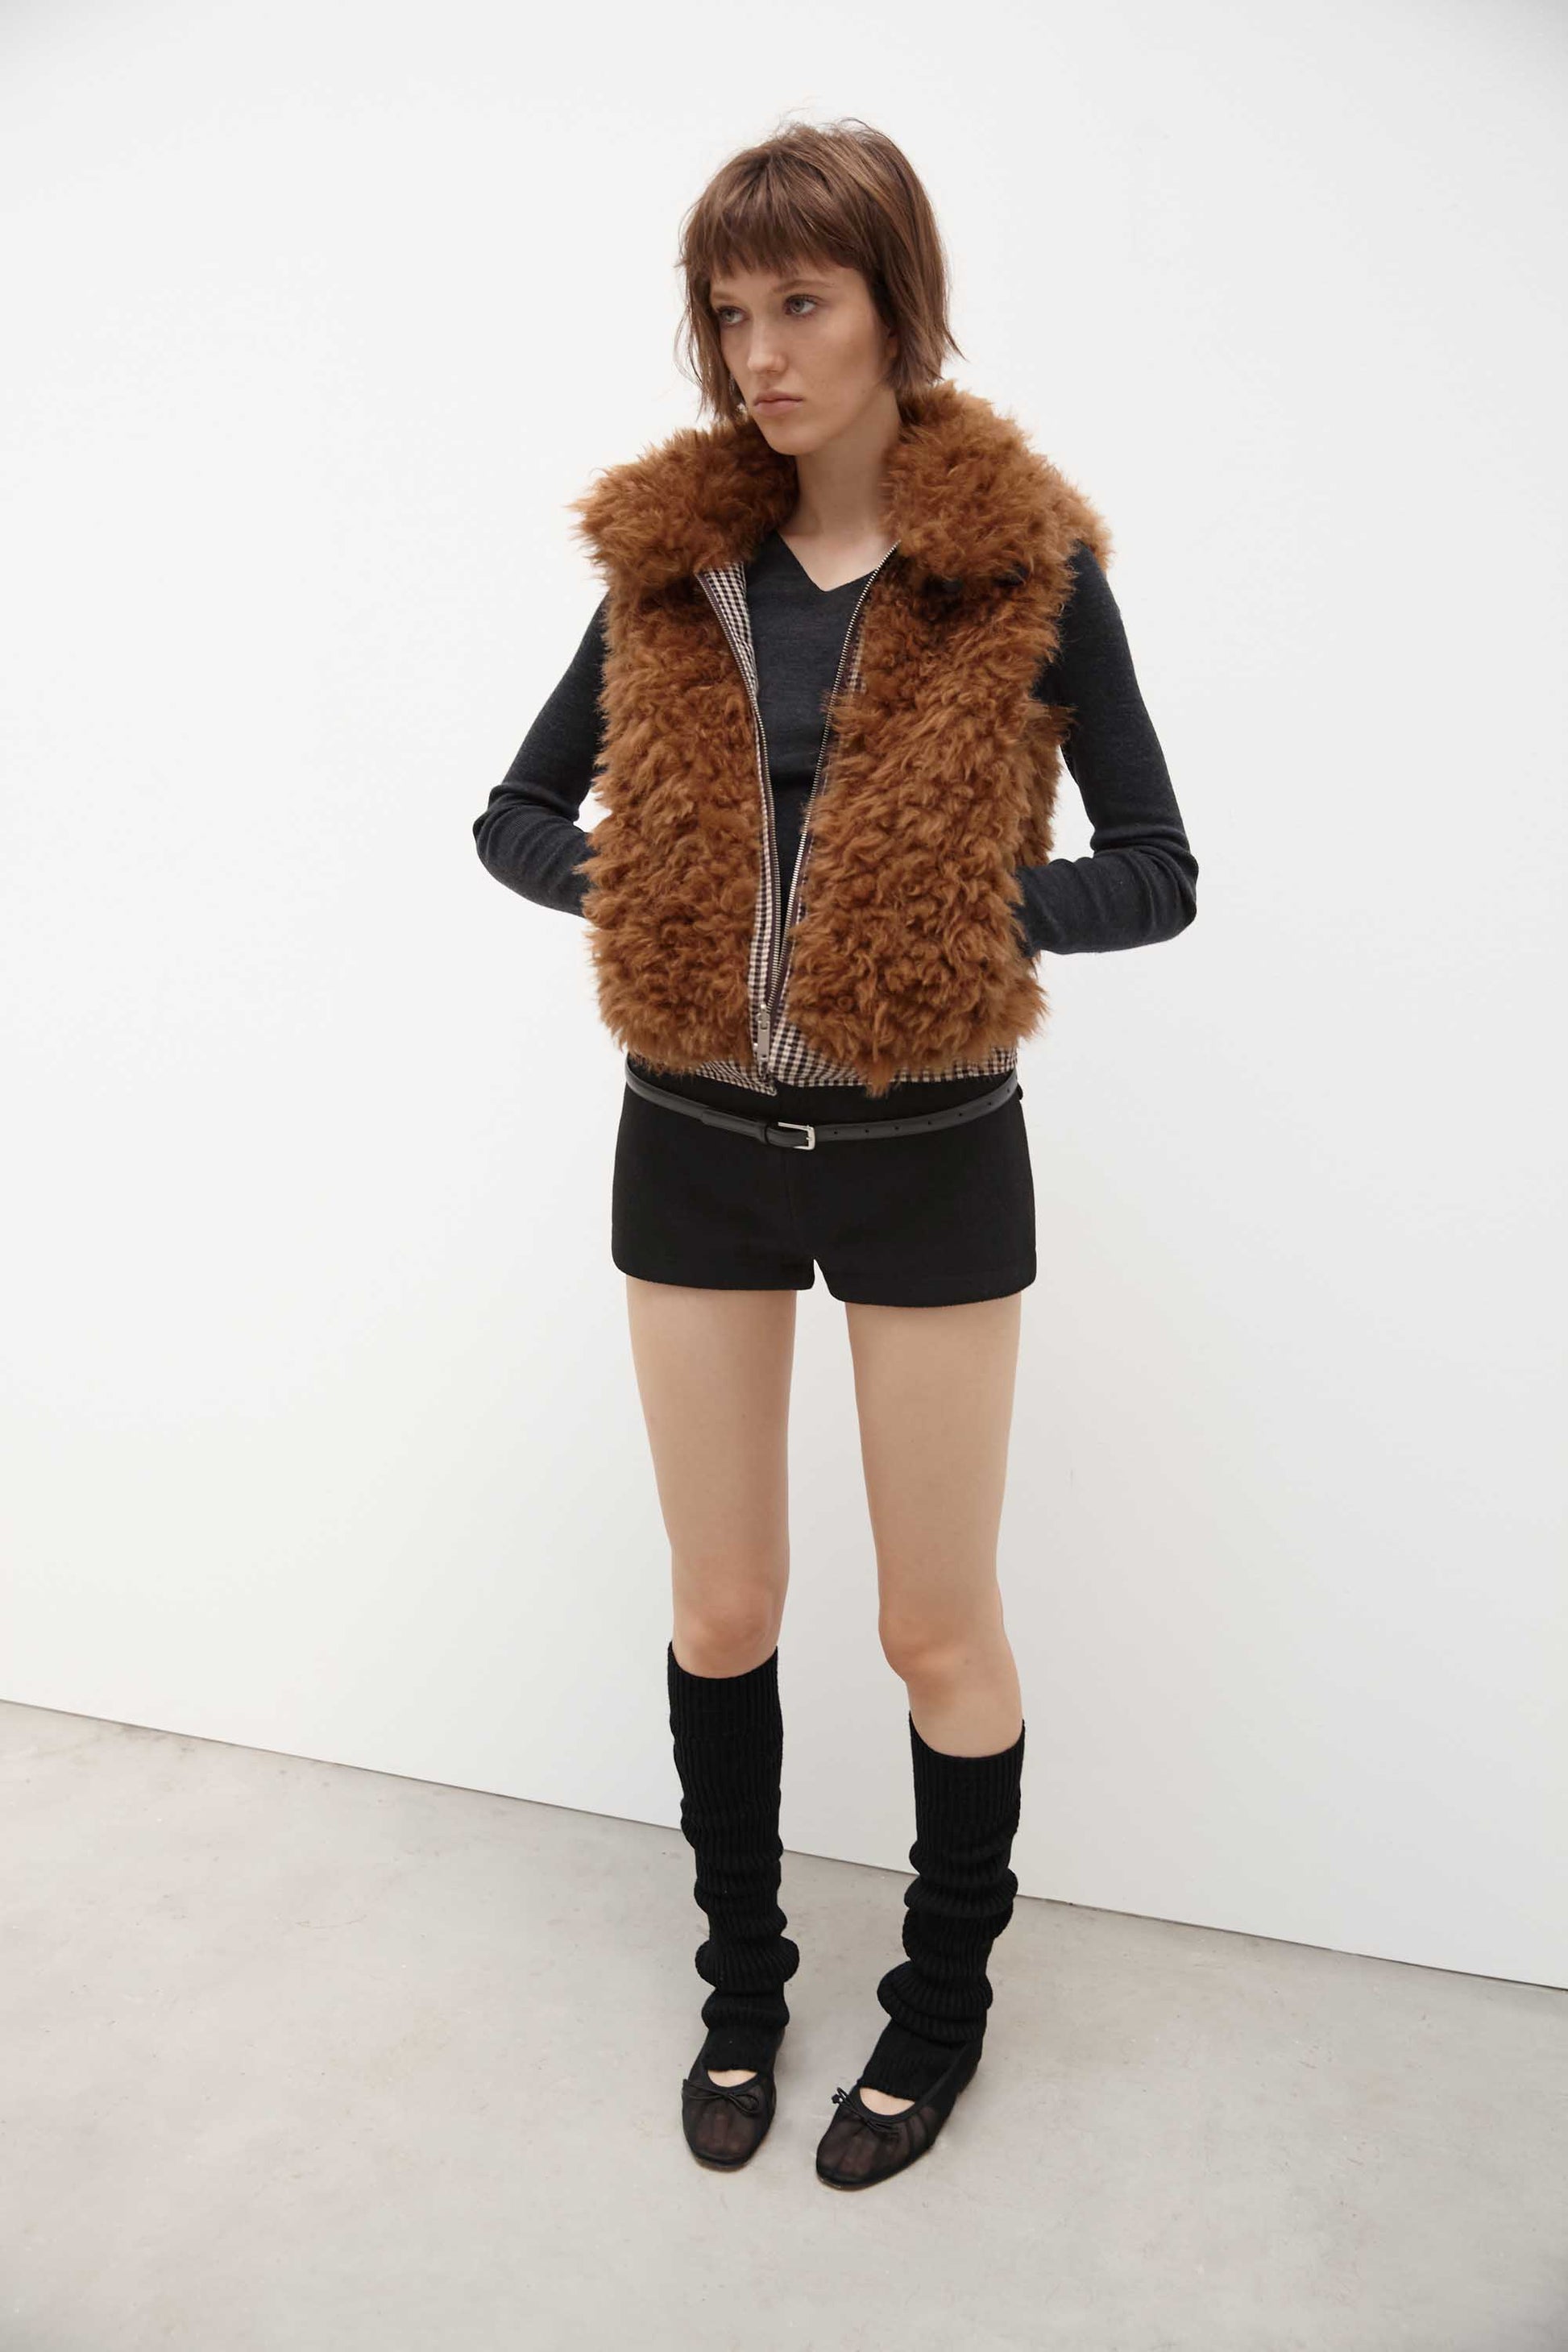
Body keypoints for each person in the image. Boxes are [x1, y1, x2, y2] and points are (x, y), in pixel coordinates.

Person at [472, 118, 1198, 2191]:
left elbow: (1156, 870)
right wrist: (661, 902)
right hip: (693, 1142)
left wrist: (960, 912)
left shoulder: (1025, 576)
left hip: (927, 1151)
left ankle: (939, 2007)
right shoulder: (672, 570)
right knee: (722, 1603)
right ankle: (741, 1984)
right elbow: (514, 817)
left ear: (896, 309)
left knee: (931, 1629)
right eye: (729, 311)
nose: (760, 353)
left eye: (802, 303)